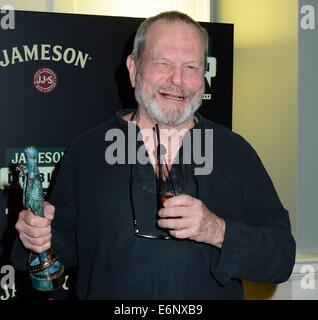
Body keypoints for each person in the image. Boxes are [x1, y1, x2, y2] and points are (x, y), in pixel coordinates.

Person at [11, 11, 296, 299]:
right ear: (134, 69)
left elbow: (281, 257)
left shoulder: (235, 152)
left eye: (191, 67)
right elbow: (59, 250)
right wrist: (38, 238)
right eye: (163, 63)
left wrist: (217, 230)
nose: (178, 80)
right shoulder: (88, 150)